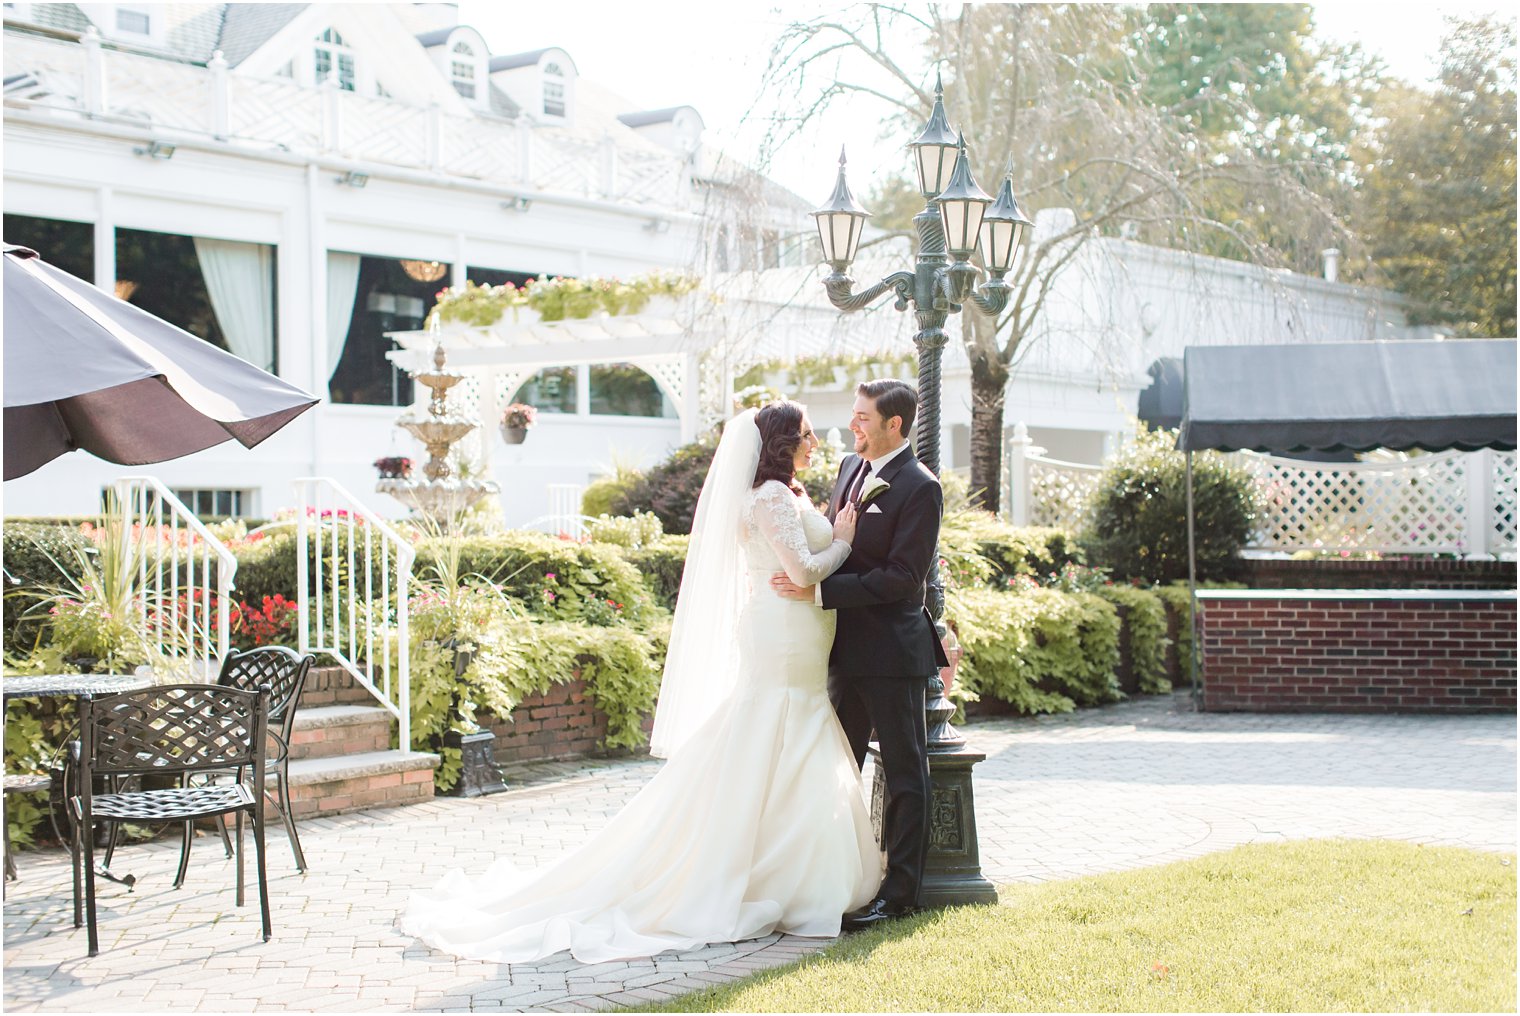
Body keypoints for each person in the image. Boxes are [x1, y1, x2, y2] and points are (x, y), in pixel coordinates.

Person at [401, 401, 884, 964]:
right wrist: (844, 542)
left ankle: (785, 869)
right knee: (776, 729)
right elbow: (799, 571)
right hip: (782, 632)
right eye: (804, 434)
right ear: (781, 442)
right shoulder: (770, 496)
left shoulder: (791, 493)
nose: (814, 442)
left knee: (786, 736)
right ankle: (764, 876)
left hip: (802, 631)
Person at [770, 378, 947, 932]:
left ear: (895, 424)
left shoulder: (920, 486)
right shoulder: (849, 468)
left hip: (893, 653)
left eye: (864, 418)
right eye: (854, 416)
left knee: (904, 774)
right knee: (835, 769)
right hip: (841, 649)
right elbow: (834, 546)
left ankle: (899, 896)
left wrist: (818, 591)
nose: (854, 426)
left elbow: (902, 579)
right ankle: (837, 883)